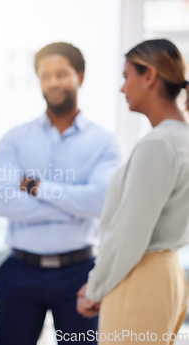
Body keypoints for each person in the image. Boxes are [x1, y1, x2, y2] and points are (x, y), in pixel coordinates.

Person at [0, 42, 122, 345]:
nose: (53, 82)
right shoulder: (14, 139)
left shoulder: (105, 142)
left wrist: (37, 188)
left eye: (61, 74)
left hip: (80, 275)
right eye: (45, 75)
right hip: (20, 272)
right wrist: (77, 203)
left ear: (80, 77)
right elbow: (4, 202)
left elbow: (104, 201)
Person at [78, 39, 189, 344]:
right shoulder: (181, 139)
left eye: (127, 77)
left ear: (150, 76)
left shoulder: (158, 144)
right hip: (167, 275)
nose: (122, 88)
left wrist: (94, 288)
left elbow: (130, 231)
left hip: (139, 276)